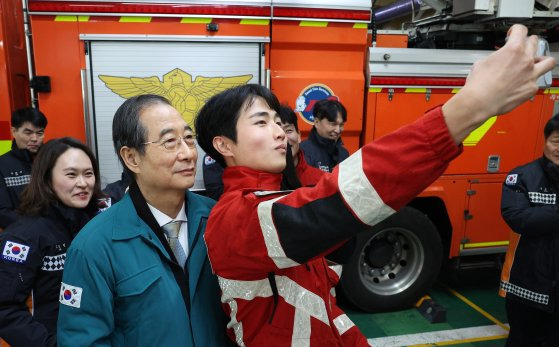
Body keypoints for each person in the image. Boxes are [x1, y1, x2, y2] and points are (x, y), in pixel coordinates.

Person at [193, 24, 555, 346]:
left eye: (278, 121)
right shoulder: (234, 218)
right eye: (260, 122)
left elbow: (322, 303)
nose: (277, 131)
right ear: (223, 145)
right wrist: (468, 108)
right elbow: (344, 194)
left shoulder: (281, 192)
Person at [57, 95, 230, 346]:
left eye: (189, 139)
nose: (187, 153)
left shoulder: (219, 219)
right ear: (132, 158)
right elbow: (83, 339)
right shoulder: (94, 246)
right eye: (170, 141)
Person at [0, 137, 104, 347]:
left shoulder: (98, 224)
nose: (83, 183)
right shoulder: (24, 236)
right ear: (47, 179)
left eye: (88, 173)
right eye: (71, 174)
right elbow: (4, 307)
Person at [499, 115, 559, 346]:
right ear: (545, 142)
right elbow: (518, 218)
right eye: (556, 141)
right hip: (528, 288)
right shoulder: (522, 177)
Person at [0, 107, 48, 229]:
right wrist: (37, 227)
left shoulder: (51, 161)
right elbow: (3, 212)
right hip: (22, 236)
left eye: (39, 133)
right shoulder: (2, 165)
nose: (34, 139)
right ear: (14, 131)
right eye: (28, 133)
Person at [300, 99, 349, 173]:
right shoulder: (302, 152)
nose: (338, 130)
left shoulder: (344, 153)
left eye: (341, 125)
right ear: (316, 122)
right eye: (333, 124)